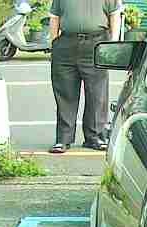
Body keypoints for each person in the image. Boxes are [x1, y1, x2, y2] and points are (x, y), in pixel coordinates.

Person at [48, 0, 122, 153]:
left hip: (96, 43)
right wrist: (54, 42)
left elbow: (114, 15)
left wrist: (113, 43)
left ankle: (95, 137)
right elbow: (55, 17)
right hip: (66, 44)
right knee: (65, 94)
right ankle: (63, 139)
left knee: (97, 94)